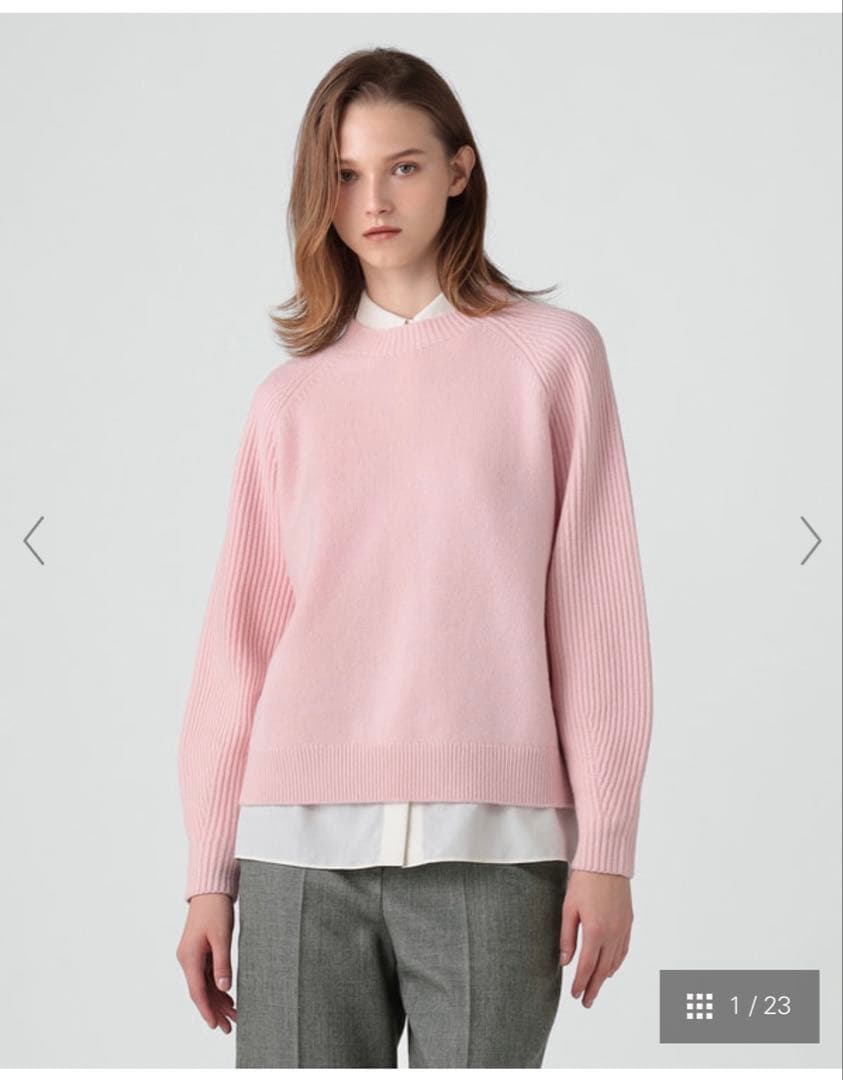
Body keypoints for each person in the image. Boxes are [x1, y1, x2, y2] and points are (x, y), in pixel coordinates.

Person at [175, 46, 653, 1069]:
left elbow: (594, 618)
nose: (374, 200)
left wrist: (607, 849)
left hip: (497, 854)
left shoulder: (552, 358)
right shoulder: (289, 401)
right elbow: (238, 646)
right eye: (345, 174)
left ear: (458, 171)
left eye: (402, 166)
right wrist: (207, 876)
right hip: (296, 856)